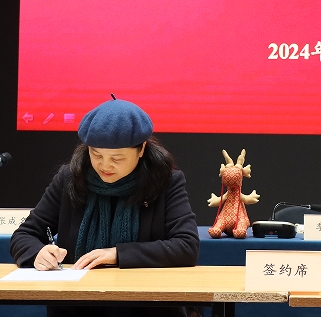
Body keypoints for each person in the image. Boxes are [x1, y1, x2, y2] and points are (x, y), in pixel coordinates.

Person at [10, 97, 200, 317]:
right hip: (76, 308)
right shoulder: (70, 178)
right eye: (96, 154)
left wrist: (118, 253)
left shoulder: (166, 181)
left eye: (117, 158)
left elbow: (186, 246)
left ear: (141, 149)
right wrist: (38, 253)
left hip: (147, 308)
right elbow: (24, 235)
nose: (105, 165)